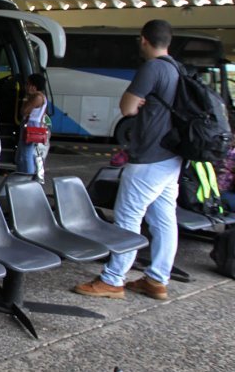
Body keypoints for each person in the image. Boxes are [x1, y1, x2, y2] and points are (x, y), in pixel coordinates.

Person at [74, 19, 180, 301]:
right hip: (171, 158)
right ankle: (157, 279)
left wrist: (138, 102)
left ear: (143, 40)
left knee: (127, 219)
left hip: (148, 158)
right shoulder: (177, 69)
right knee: (164, 219)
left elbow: (127, 107)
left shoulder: (153, 67)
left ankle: (113, 279)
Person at [15, 73, 49, 182]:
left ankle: (27, 178)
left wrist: (25, 99)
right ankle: (23, 176)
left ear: (34, 86)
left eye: (28, 84)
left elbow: (24, 111)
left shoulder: (37, 97)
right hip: (33, 125)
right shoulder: (41, 96)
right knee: (24, 153)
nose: (26, 86)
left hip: (30, 126)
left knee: (26, 154)